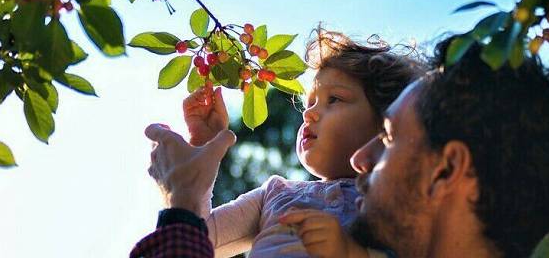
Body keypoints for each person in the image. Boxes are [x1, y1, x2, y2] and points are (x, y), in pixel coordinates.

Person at [134, 34, 549, 258]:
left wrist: (182, 203)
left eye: (391, 139)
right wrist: (192, 197)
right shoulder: (281, 195)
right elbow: (210, 238)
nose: (361, 160)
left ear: (446, 171)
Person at [180, 30, 424, 257]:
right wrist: (203, 153)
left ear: (386, 121)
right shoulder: (273, 194)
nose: (309, 114)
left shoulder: (394, 199)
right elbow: (197, 238)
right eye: (309, 104)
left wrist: (352, 253)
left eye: (334, 99)